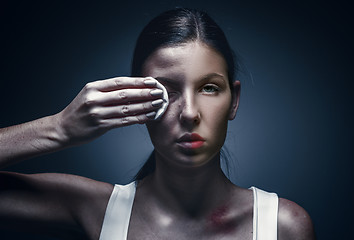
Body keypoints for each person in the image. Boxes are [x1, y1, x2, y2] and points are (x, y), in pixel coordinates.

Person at [0, 8, 315, 240]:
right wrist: (58, 128)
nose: (189, 113)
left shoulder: (282, 225)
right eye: (166, 90)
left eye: (209, 88)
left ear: (233, 100)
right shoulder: (94, 207)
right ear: (137, 100)